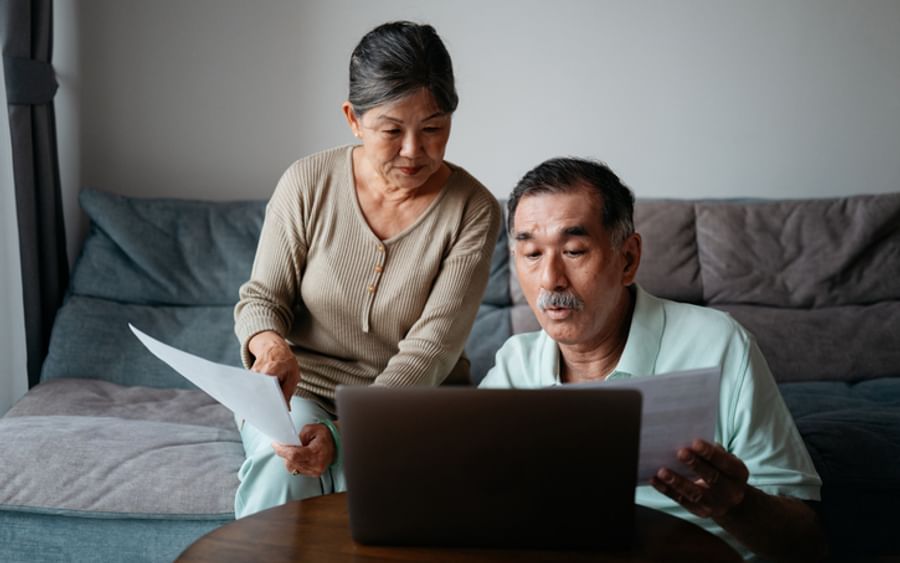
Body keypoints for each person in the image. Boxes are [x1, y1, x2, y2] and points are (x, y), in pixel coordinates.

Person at [479, 157, 827, 561]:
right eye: (532, 254)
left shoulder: (717, 344)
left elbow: (807, 543)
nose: (549, 279)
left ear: (628, 259)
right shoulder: (514, 364)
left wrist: (736, 504)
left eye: (574, 250)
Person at [233, 21, 501, 518]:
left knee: (379, 478)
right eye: (392, 130)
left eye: (434, 128)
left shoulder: (474, 209)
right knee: (283, 465)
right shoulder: (307, 182)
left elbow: (432, 349)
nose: (413, 151)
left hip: (416, 403)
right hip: (304, 389)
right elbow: (261, 299)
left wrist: (346, 434)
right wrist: (271, 348)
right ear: (353, 119)